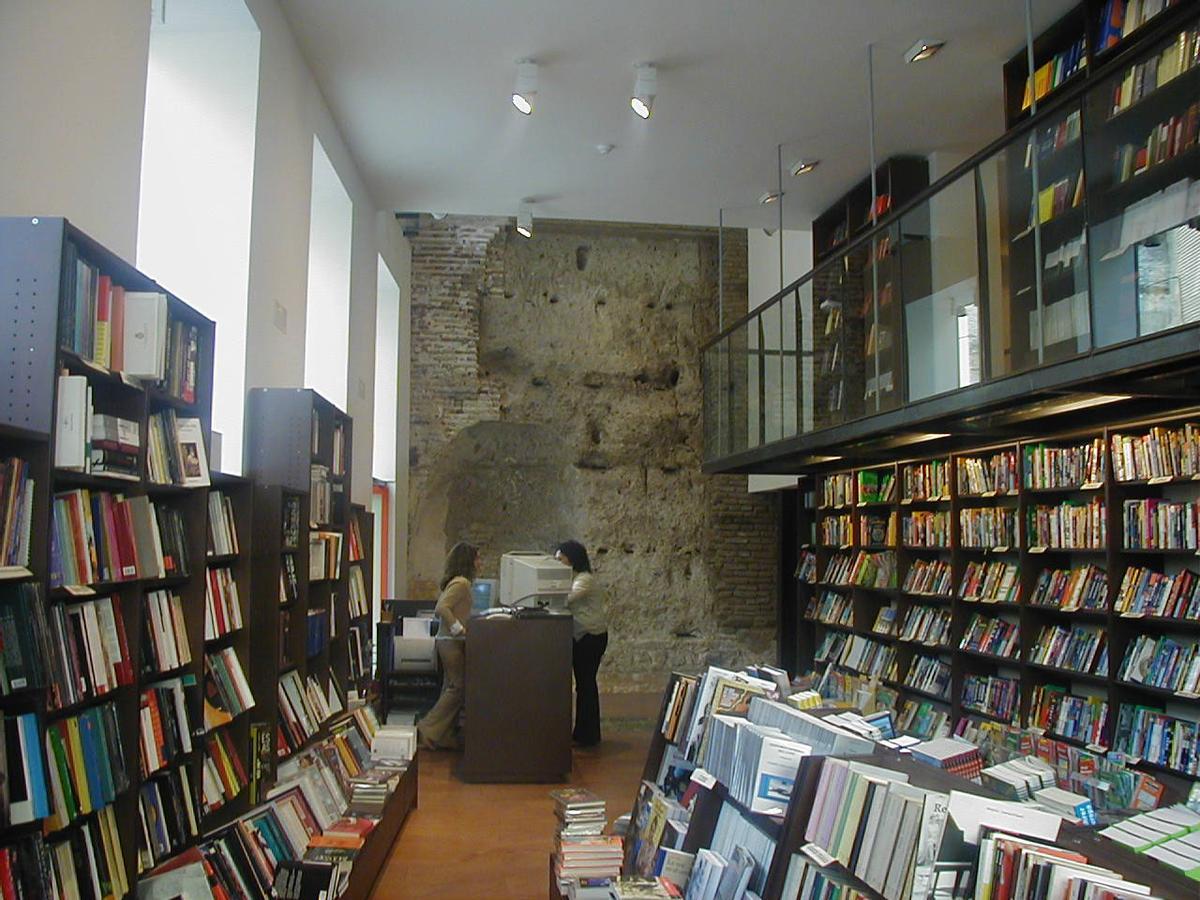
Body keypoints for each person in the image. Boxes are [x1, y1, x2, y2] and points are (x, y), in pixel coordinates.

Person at [416, 541, 479, 751]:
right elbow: (441, 608)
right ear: (468, 561)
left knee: (450, 687)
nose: (480, 563)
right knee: (458, 687)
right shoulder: (462, 583)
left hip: (449, 642)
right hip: (450, 642)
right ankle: (427, 729)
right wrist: (458, 628)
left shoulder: (458, 582)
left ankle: (442, 735)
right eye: (477, 559)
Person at [555, 540, 608, 747]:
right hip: (583, 636)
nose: (557, 563)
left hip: (591, 637)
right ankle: (583, 732)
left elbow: (566, 600)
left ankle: (588, 735)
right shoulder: (575, 577)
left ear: (572, 559)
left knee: (586, 685)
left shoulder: (584, 580)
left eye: (560, 559)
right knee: (584, 685)